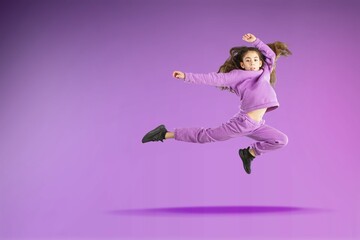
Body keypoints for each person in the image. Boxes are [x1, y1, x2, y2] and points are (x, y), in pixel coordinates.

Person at [142, 33, 292, 174]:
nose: (252, 63)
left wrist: (256, 41)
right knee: (206, 136)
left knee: (280, 140)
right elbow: (213, 78)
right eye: (248, 60)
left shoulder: (265, 71)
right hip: (243, 123)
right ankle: (165, 133)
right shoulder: (238, 76)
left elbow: (270, 55)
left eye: (255, 59)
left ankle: (249, 153)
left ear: (260, 62)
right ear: (242, 64)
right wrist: (187, 76)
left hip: (257, 125)